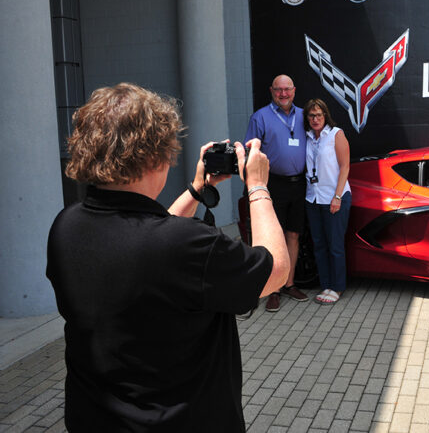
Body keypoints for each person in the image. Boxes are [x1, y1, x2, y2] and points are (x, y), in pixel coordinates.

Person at [46, 83, 289, 432]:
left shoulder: (66, 226)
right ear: (154, 156)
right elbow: (276, 269)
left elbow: (144, 241)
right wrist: (258, 186)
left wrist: (195, 190)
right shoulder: (188, 246)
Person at [244, 74, 309, 311]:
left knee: (293, 235)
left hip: (299, 184)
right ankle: (272, 289)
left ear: (294, 90)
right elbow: (250, 152)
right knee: (273, 237)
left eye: (287, 90)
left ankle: (289, 283)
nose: (283, 94)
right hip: (273, 185)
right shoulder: (260, 117)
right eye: (279, 90)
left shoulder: (304, 116)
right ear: (271, 91)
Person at [303, 98, 352, 305]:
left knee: (335, 245)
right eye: (311, 115)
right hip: (313, 198)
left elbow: (345, 167)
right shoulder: (307, 138)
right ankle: (326, 285)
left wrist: (337, 196)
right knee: (319, 245)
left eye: (319, 115)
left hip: (334, 198)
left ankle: (338, 287)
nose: (315, 119)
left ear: (325, 115)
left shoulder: (335, 134)